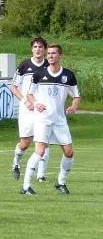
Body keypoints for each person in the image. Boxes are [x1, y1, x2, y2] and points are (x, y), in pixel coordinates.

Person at [20, 44, 80, 195]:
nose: (51, 56)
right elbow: (30, 94)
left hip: (60, 120)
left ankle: (61, 182)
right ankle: (26, 186)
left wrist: (73, 106)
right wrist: (36, 104)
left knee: (69, 152)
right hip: (42, 120)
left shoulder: (68, 75)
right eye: (49, 53)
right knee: (39, 151)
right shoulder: (39, 73)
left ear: (61, 55)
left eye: (54, 53)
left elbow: (76, 96)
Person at [10, 37, 50, 182]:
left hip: (42, 108)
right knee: (25, 142)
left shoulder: (49, 65)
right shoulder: (24, 65)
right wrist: (25, 100)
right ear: (31, 49)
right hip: (27, 108)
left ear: (45, 49)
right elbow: (13, 87)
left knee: (43, 141)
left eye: (40, 47)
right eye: (35, 47)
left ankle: (41, 175)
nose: (38, 49)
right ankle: (16, 163)